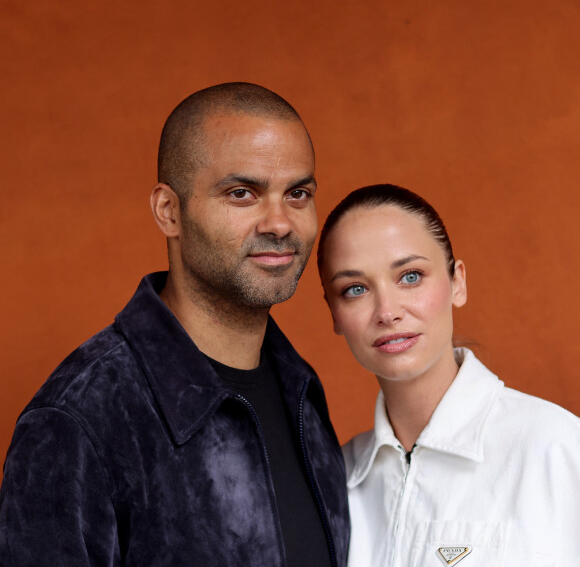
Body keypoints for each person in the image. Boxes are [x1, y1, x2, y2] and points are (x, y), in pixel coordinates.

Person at [0, 83, 349, 566]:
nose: (280, 223)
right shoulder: (77, 419)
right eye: (242, 193)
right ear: (169, 211)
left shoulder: (302, 390)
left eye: (298, 193)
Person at [317, 183, 580, 567]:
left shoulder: (555, 448)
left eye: (410, 276)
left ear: (457, 282)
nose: (387, 311)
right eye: (355, 289)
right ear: (334, 314)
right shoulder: (336, 480)